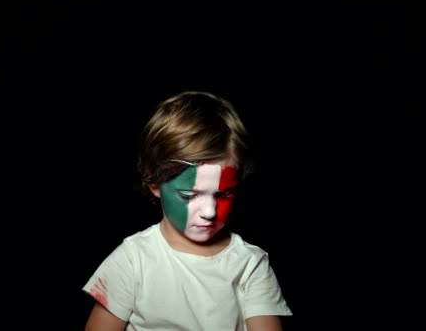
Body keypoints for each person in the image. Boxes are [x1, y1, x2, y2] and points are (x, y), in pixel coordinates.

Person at [83, 91, 292, 331]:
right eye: (190, 195)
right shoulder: (132, 260)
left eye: (224, 194)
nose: (210, 212)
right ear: (154, 183)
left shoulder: (250, 264)